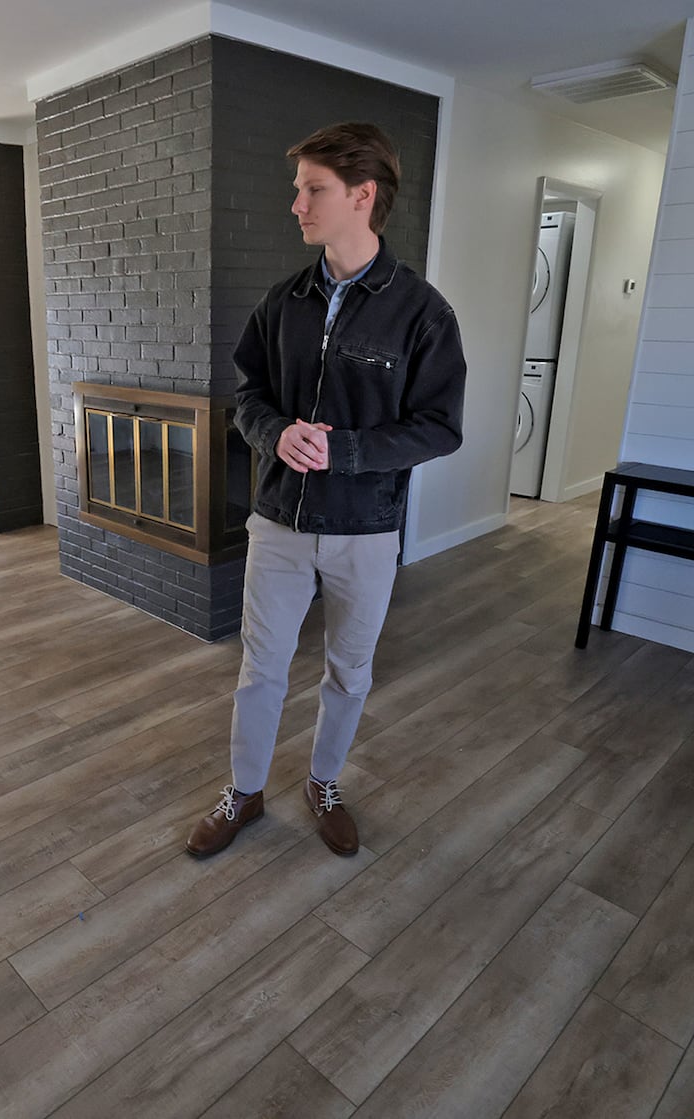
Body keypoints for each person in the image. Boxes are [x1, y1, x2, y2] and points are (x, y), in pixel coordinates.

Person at [186, 121, 468, 859]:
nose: (297, 204)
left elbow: (440, 427)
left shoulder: (423, 313)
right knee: (261, 666)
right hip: (277, 523)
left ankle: (323, 780)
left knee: (350, 669)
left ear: (362, 195)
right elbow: (247, 394)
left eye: (313, 189)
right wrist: (272, 431)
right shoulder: (283, 301)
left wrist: (344, 451)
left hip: (366, 530)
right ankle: (245, 791)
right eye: (299, 188)